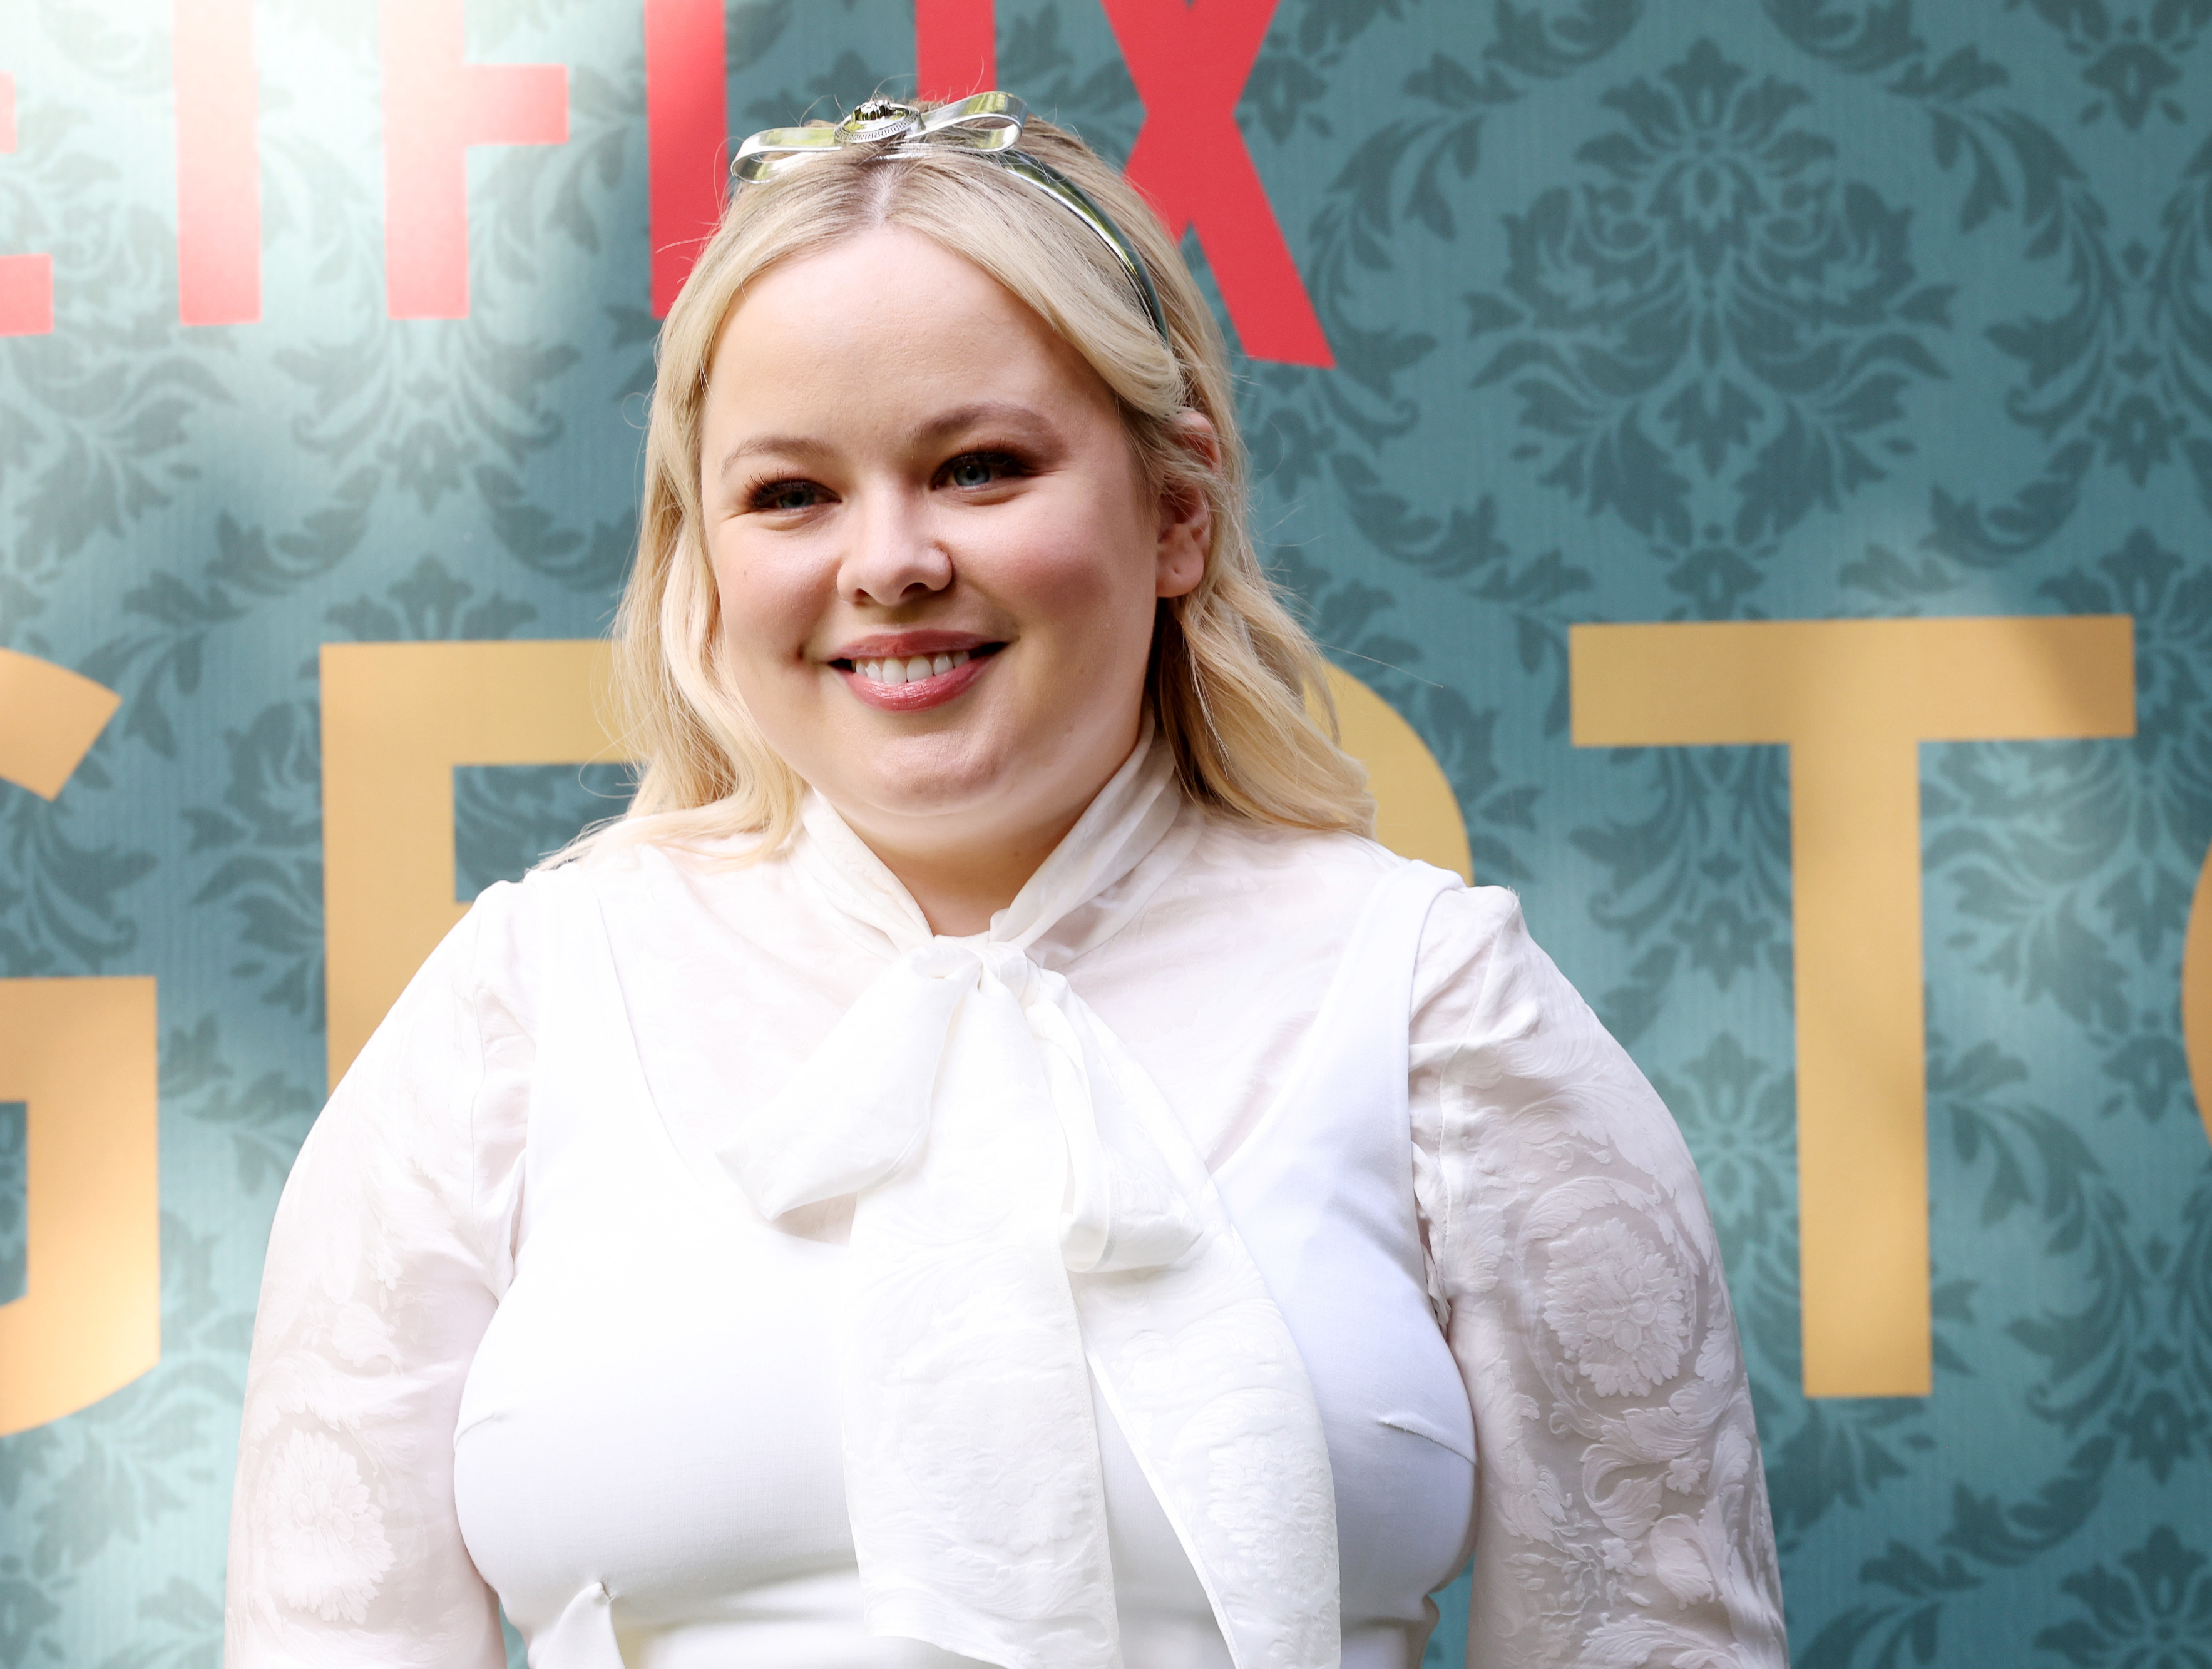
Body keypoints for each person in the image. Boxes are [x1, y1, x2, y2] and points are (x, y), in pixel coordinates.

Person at [225, 93, 1786, 1669]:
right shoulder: (522, 1003)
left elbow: (1660, 1641)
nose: (888, 561)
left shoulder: (1433, 1000)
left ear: (1174, 511)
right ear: (703, 553)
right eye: (790, 494)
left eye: (977, 468)